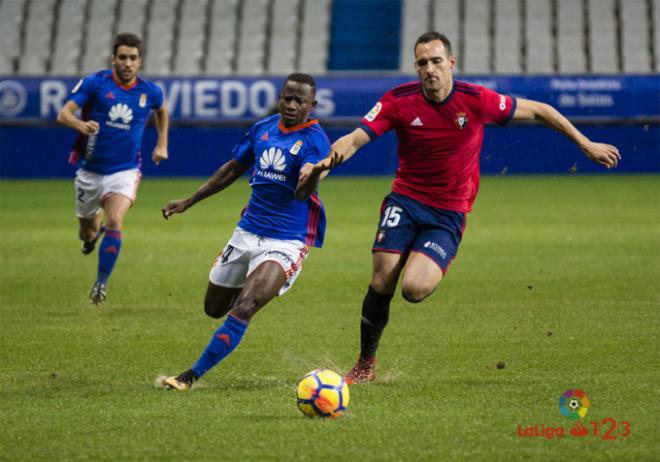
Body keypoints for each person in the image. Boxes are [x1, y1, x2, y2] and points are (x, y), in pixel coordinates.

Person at [306, 31, 621, 384]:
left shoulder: (477, 100)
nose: (430, 69)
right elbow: (353, 139)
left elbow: (541, 110)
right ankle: (365, 363)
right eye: (422, 63)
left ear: (451, 63)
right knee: (382, 277)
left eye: (436, 61)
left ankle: (426, 256)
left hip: (448, 213)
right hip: (405, 201)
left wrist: (585, 143)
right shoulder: (398, 101)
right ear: (416, 67)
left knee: (413, 289)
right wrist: (324, 164)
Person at [159, 73, 333, 391]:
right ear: (281, 97)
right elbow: (233, 168)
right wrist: (190, 200)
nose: (292, 105)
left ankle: (190, 376)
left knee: (247, 305)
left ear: (312, 104)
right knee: (213, 309)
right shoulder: (263, 128)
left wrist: (313, 174)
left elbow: (301, 194)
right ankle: (250, 291)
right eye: (287, 98)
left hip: (287, 239)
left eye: (300, 100)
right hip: (247, 232)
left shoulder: (315, 140)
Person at [57, 32, 169, 306]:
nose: (127, 63)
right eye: (122, 57)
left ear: (140, 61)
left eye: (133, 58)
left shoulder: (150, 91)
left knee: (116, 220)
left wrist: (162, 144)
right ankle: (90, 237)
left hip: (125, 170)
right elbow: (63, 114)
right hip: (90, 171)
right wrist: (80, 125)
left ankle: (101, 284)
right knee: (87, 230)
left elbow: (162, 110)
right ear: (113, 59)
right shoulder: (96, 83)